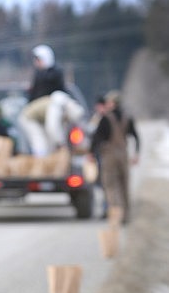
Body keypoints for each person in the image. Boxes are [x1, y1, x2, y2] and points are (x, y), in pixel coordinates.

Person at [19, 45, 84, 155]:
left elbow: (55, 126)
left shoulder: (57, 96)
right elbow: (52, 127)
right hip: (37, 116)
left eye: (38, 60)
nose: (36, 63)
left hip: (47, 112)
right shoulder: (54, 101)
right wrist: (60, 144)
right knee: (41, 142)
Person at [89, 89, 140, 223]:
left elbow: (96, 138)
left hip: (109, 157)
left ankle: (116, 214)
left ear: (112, 103)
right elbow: (136, 137)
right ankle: (126, 216)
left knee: (111, 186)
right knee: (124, 185)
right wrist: (136, 154)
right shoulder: (127, 118)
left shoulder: (105, 118)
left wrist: (91, 153)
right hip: (124, 155)